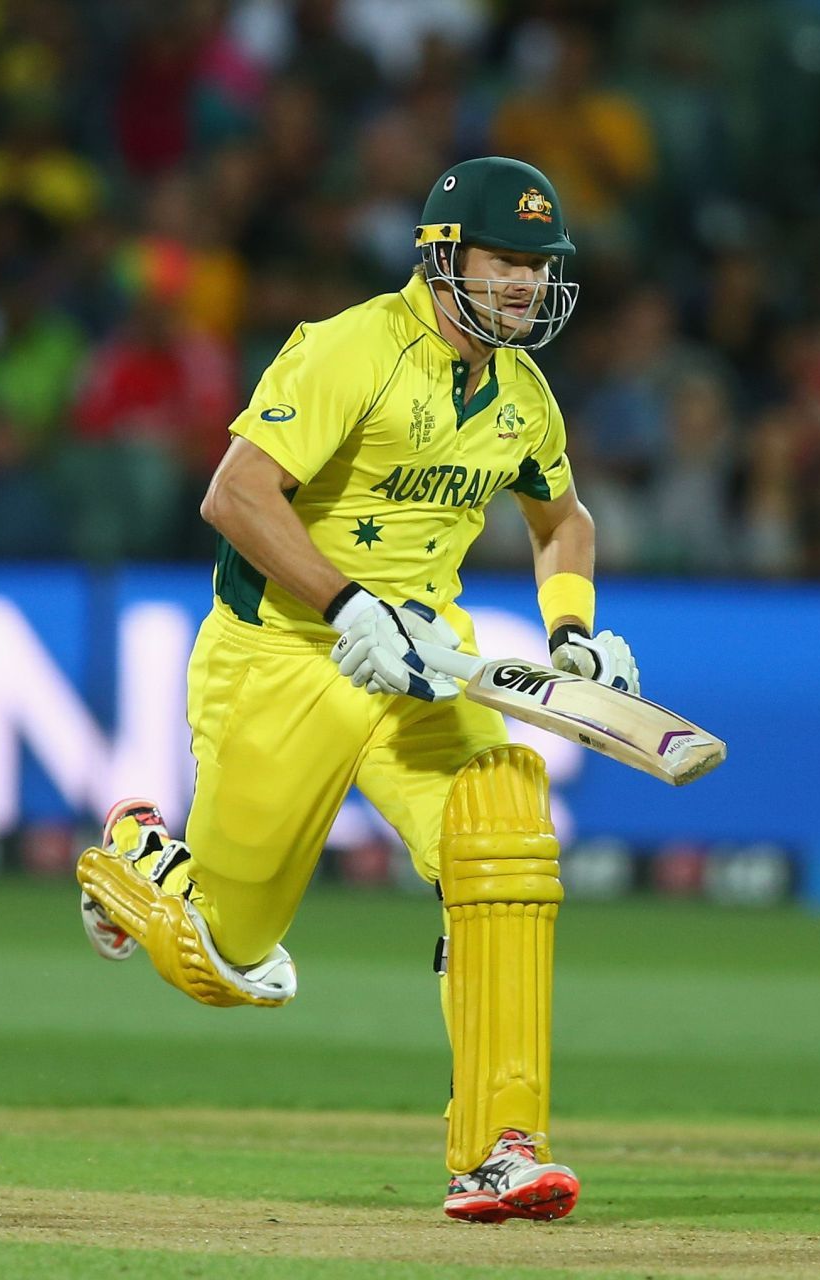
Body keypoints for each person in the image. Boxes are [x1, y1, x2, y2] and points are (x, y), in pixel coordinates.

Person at [75, 157, 638, 1225]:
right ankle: (133, 864)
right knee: (228, 958)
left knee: (506, 833)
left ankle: (499, 1148)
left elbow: (566, 521)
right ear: (440, 255)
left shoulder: (520, 393)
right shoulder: (350, 349)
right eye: (504, 261)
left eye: (540, 265)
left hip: (428, 659)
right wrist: (347, 607)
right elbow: (234, 493)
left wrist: (572, 632)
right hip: (286, 652)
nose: (525, 285)